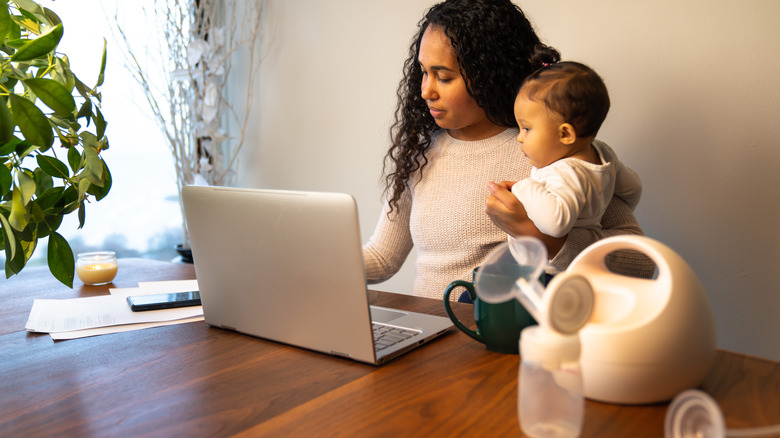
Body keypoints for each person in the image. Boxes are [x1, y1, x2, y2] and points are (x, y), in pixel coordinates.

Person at [362, 0, 651, 300]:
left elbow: (640, 262)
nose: (425, 91)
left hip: (498, 341)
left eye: (444, 77)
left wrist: (543, 240)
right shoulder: (420, 154)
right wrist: (315, 262)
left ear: (488, 74)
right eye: (423, 72)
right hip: (432, 340)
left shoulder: (546, 154)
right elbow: (382, 258)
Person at [510, 46, 642, 258]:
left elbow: (555, 224)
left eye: (526, 128)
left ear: (565, 134)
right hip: (581, 261)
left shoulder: (563, 172)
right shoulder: (603, 153)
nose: (519, 137)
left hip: (551, 272)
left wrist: (522, 187)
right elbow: (633, 189)